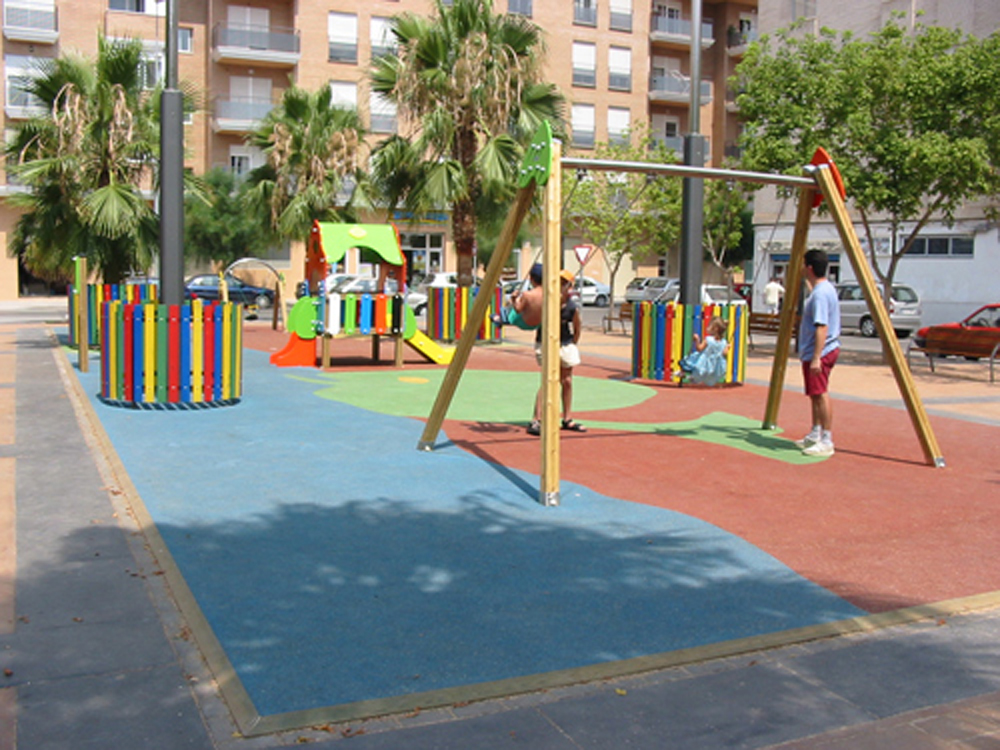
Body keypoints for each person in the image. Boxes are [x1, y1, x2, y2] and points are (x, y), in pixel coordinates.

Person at [527, 269, 586, 435]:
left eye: (563, 283)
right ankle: (536, 419)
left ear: (569, 286)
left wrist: (573, 343)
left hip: (565, 343)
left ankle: (567, 418)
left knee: (566, 380)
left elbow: (577, 325)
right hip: (545, 343)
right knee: (548, 380)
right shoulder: (545, 301)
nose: (560, 286)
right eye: (557, 282)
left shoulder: (571, 306)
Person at [796, 249, 841, 457]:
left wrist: (816, 357)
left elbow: (821, 326)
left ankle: (827, 439)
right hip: (817, 350)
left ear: (810, 268)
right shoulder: (823, 289)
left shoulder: (821, 294)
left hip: (820, 351)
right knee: (814, 393)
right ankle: (816, 432)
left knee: (820, 392)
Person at [678, 316, 729, 386]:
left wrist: (697, 340)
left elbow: (699, 348)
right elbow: (724, 353)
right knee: (706, 375)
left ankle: (685, 374)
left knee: (690, 360)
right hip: (715, 365)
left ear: (715, 329)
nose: (707, 328)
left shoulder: (708, 340)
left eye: (710, 326)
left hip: (704, 362)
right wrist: (728, 347)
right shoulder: (724, 342)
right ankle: (692, 377)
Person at [493, 263, 543, 330]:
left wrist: (513, 299)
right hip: (539, 323)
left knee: (510, 311)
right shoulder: (549, 294)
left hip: (526, 324)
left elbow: (518, 310)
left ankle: (500, 319)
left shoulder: (527, 295)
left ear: (531, 279)